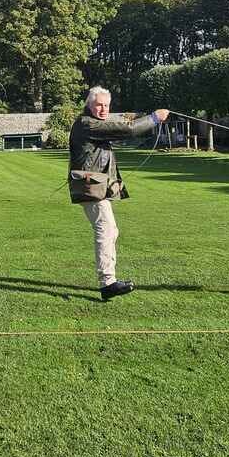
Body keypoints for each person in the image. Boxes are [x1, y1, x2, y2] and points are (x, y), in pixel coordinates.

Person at [68, 86, 169, 301]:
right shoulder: (87, 124)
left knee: (111, 230)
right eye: (99, 105)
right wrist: (153, 118)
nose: (104, 109)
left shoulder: (93, 123)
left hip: (96, 187)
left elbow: (121, 128)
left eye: (106, 105)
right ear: (89, 105)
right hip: (90, 188)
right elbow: (128, 130)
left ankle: (108, 281)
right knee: (105, 230)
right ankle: (108, 284)